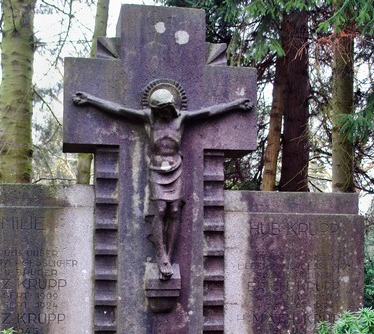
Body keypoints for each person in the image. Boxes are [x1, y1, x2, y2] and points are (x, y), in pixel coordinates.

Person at [73, 87, 252, 280]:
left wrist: (235, 105)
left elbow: (208, 112)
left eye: (166, 109)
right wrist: (90, 99)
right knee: (160, 209)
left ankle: (169, 253)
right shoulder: (149, 118)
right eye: (160, 110)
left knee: (174, 210)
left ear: (171, 107)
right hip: (157, 169)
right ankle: (161, 254)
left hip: (176, 167)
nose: (164, 113)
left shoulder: (181, 119)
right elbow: (119, 110)